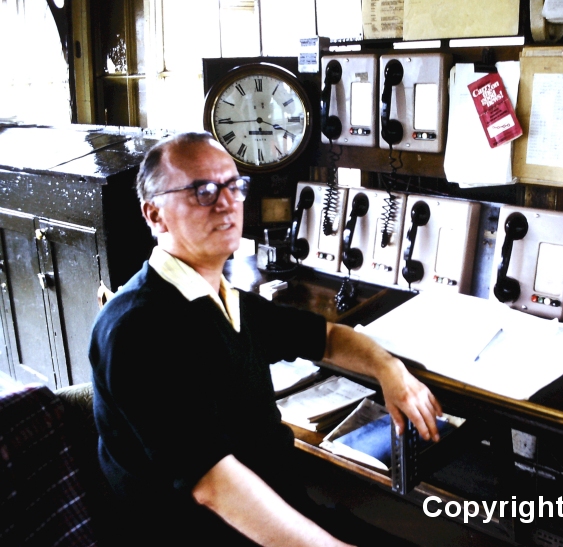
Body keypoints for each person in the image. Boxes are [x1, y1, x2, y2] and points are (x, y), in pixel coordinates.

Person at [88, 132, 442, 546]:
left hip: (283, 511)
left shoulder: (223, 298)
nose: (226, 202)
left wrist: (389, 370)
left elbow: (327, 338)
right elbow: (215, 485)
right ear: (155, 215)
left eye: (233, 186)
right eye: (202, 190)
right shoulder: (136, 329)